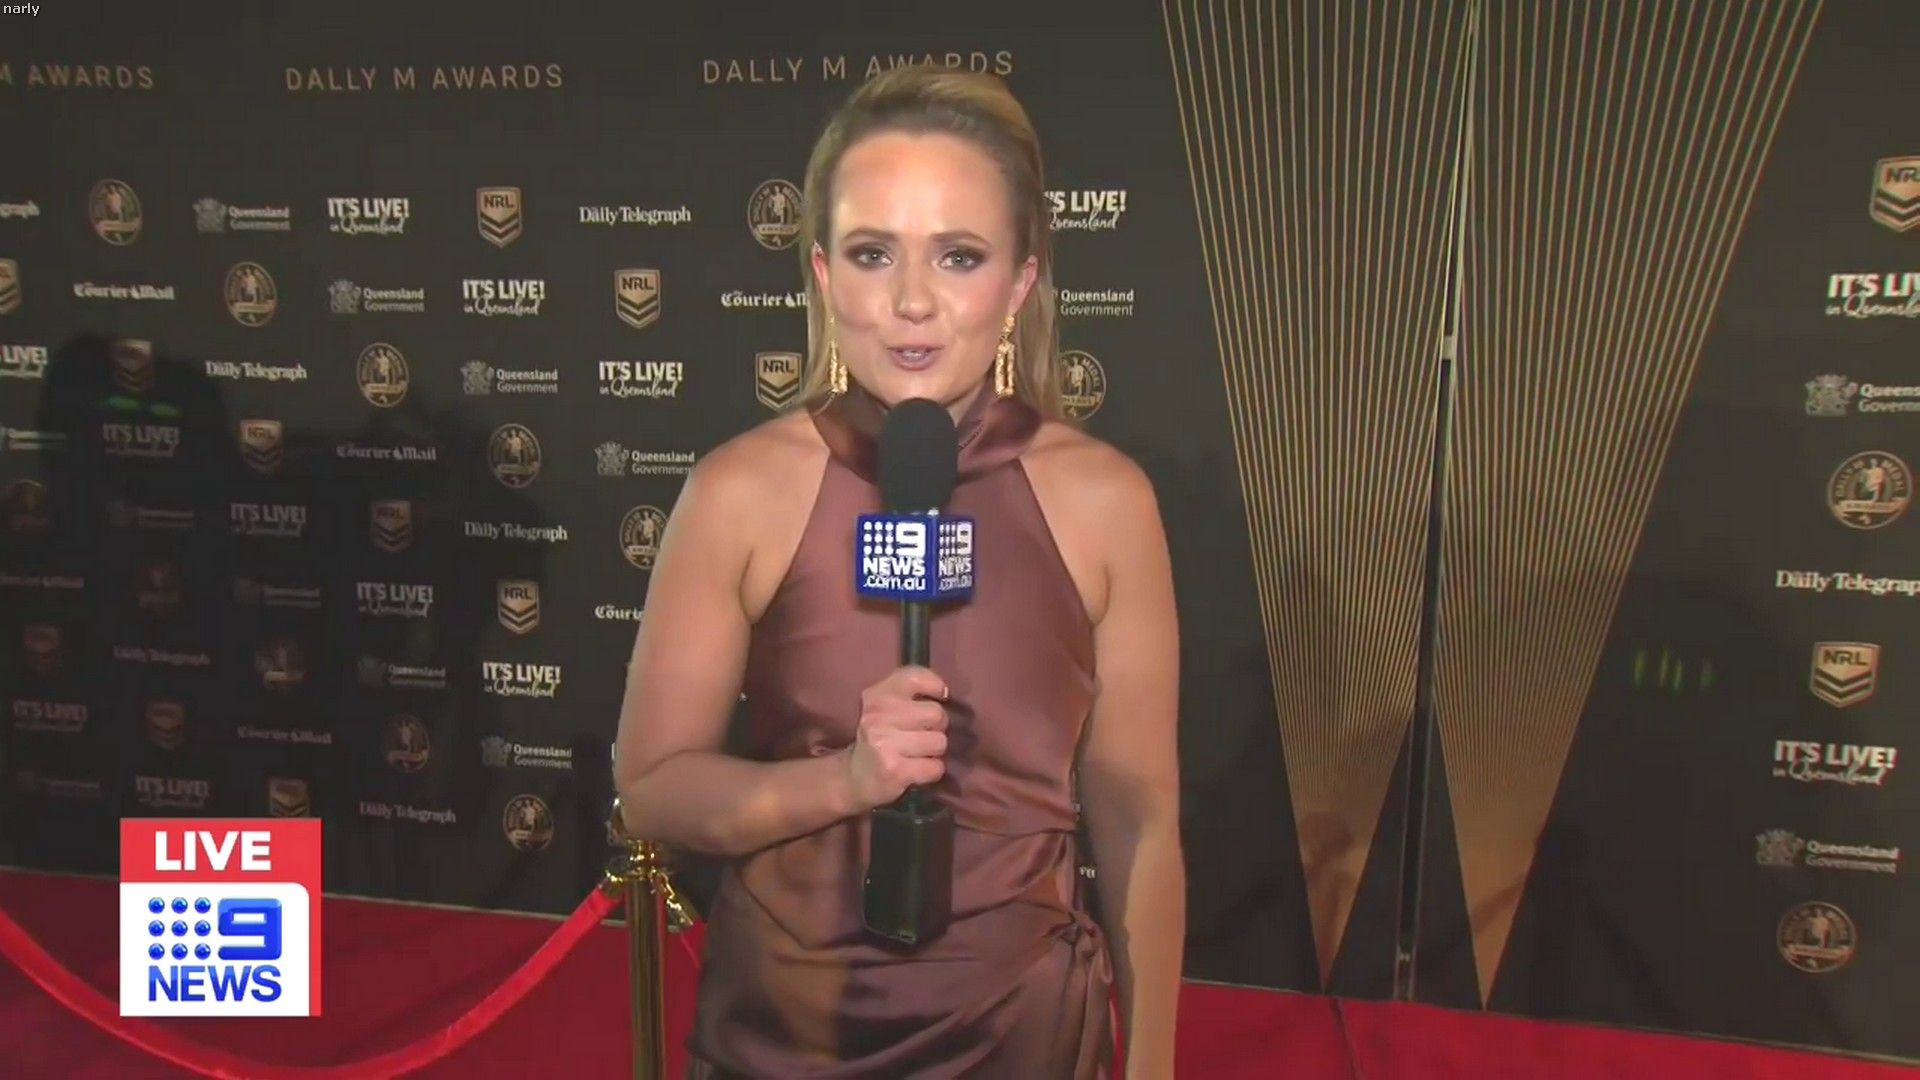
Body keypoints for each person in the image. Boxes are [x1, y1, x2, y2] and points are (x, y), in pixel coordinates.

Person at [612, 65, 1184, 1078]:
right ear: (824, 274)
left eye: (959, 256)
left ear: (1019, 283)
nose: (913, 302)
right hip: (783, 1043)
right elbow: (654, 792)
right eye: (873, 254)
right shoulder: (738, 491)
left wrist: (1154, 1068)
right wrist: (843, 782)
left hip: (1025, 1045)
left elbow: (1140, 825)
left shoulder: (1107, 503)